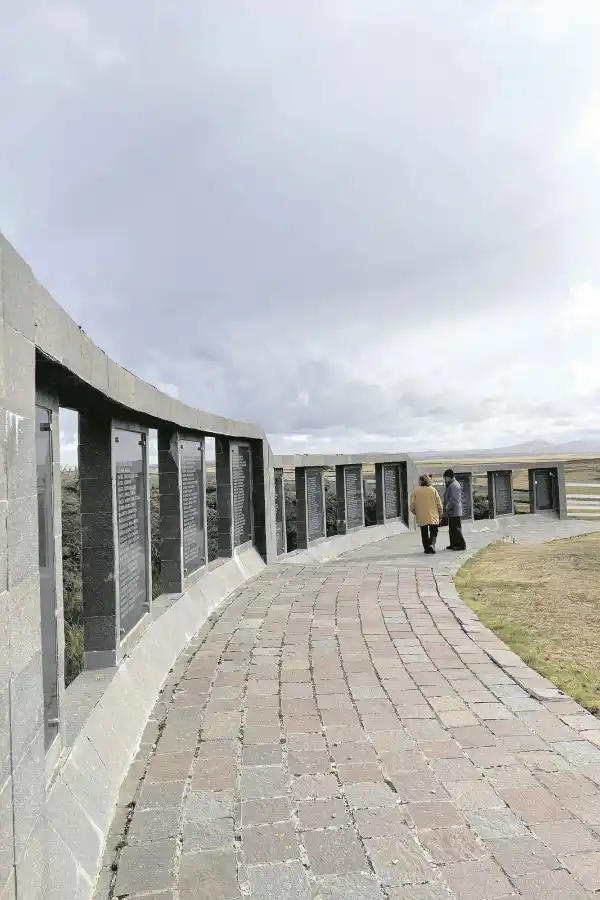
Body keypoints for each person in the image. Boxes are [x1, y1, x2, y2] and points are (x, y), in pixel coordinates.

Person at [410, 474, 443, 554]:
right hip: (433, 514)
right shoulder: (433, 490)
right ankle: (432, 544)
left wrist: (416, 512)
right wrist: (440, 513)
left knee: (424, 532)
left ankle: (426, 548)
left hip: (421, 515)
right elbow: (439, 503)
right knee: (434, 530)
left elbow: (412, 506)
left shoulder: (416, 491)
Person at [443, 469, 467, 551]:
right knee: (452, 528)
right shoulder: (451, 484)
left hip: (455, 511)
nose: (444, 479)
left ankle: (461, 545)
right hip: (452, 511)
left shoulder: (454, 485)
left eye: (445, 477)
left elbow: (454, 500)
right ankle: (453, 544)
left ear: (449, 477)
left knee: (456, 528)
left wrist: (446, 507)